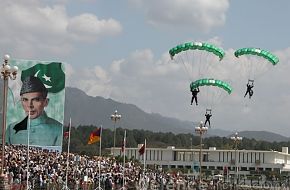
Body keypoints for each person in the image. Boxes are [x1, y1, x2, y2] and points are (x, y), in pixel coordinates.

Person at [6, 76, 63, 147]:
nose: (30, 105)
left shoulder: (58, 129)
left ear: (46, 102)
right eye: (25, 100)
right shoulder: (11, 129)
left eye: (36, 99)